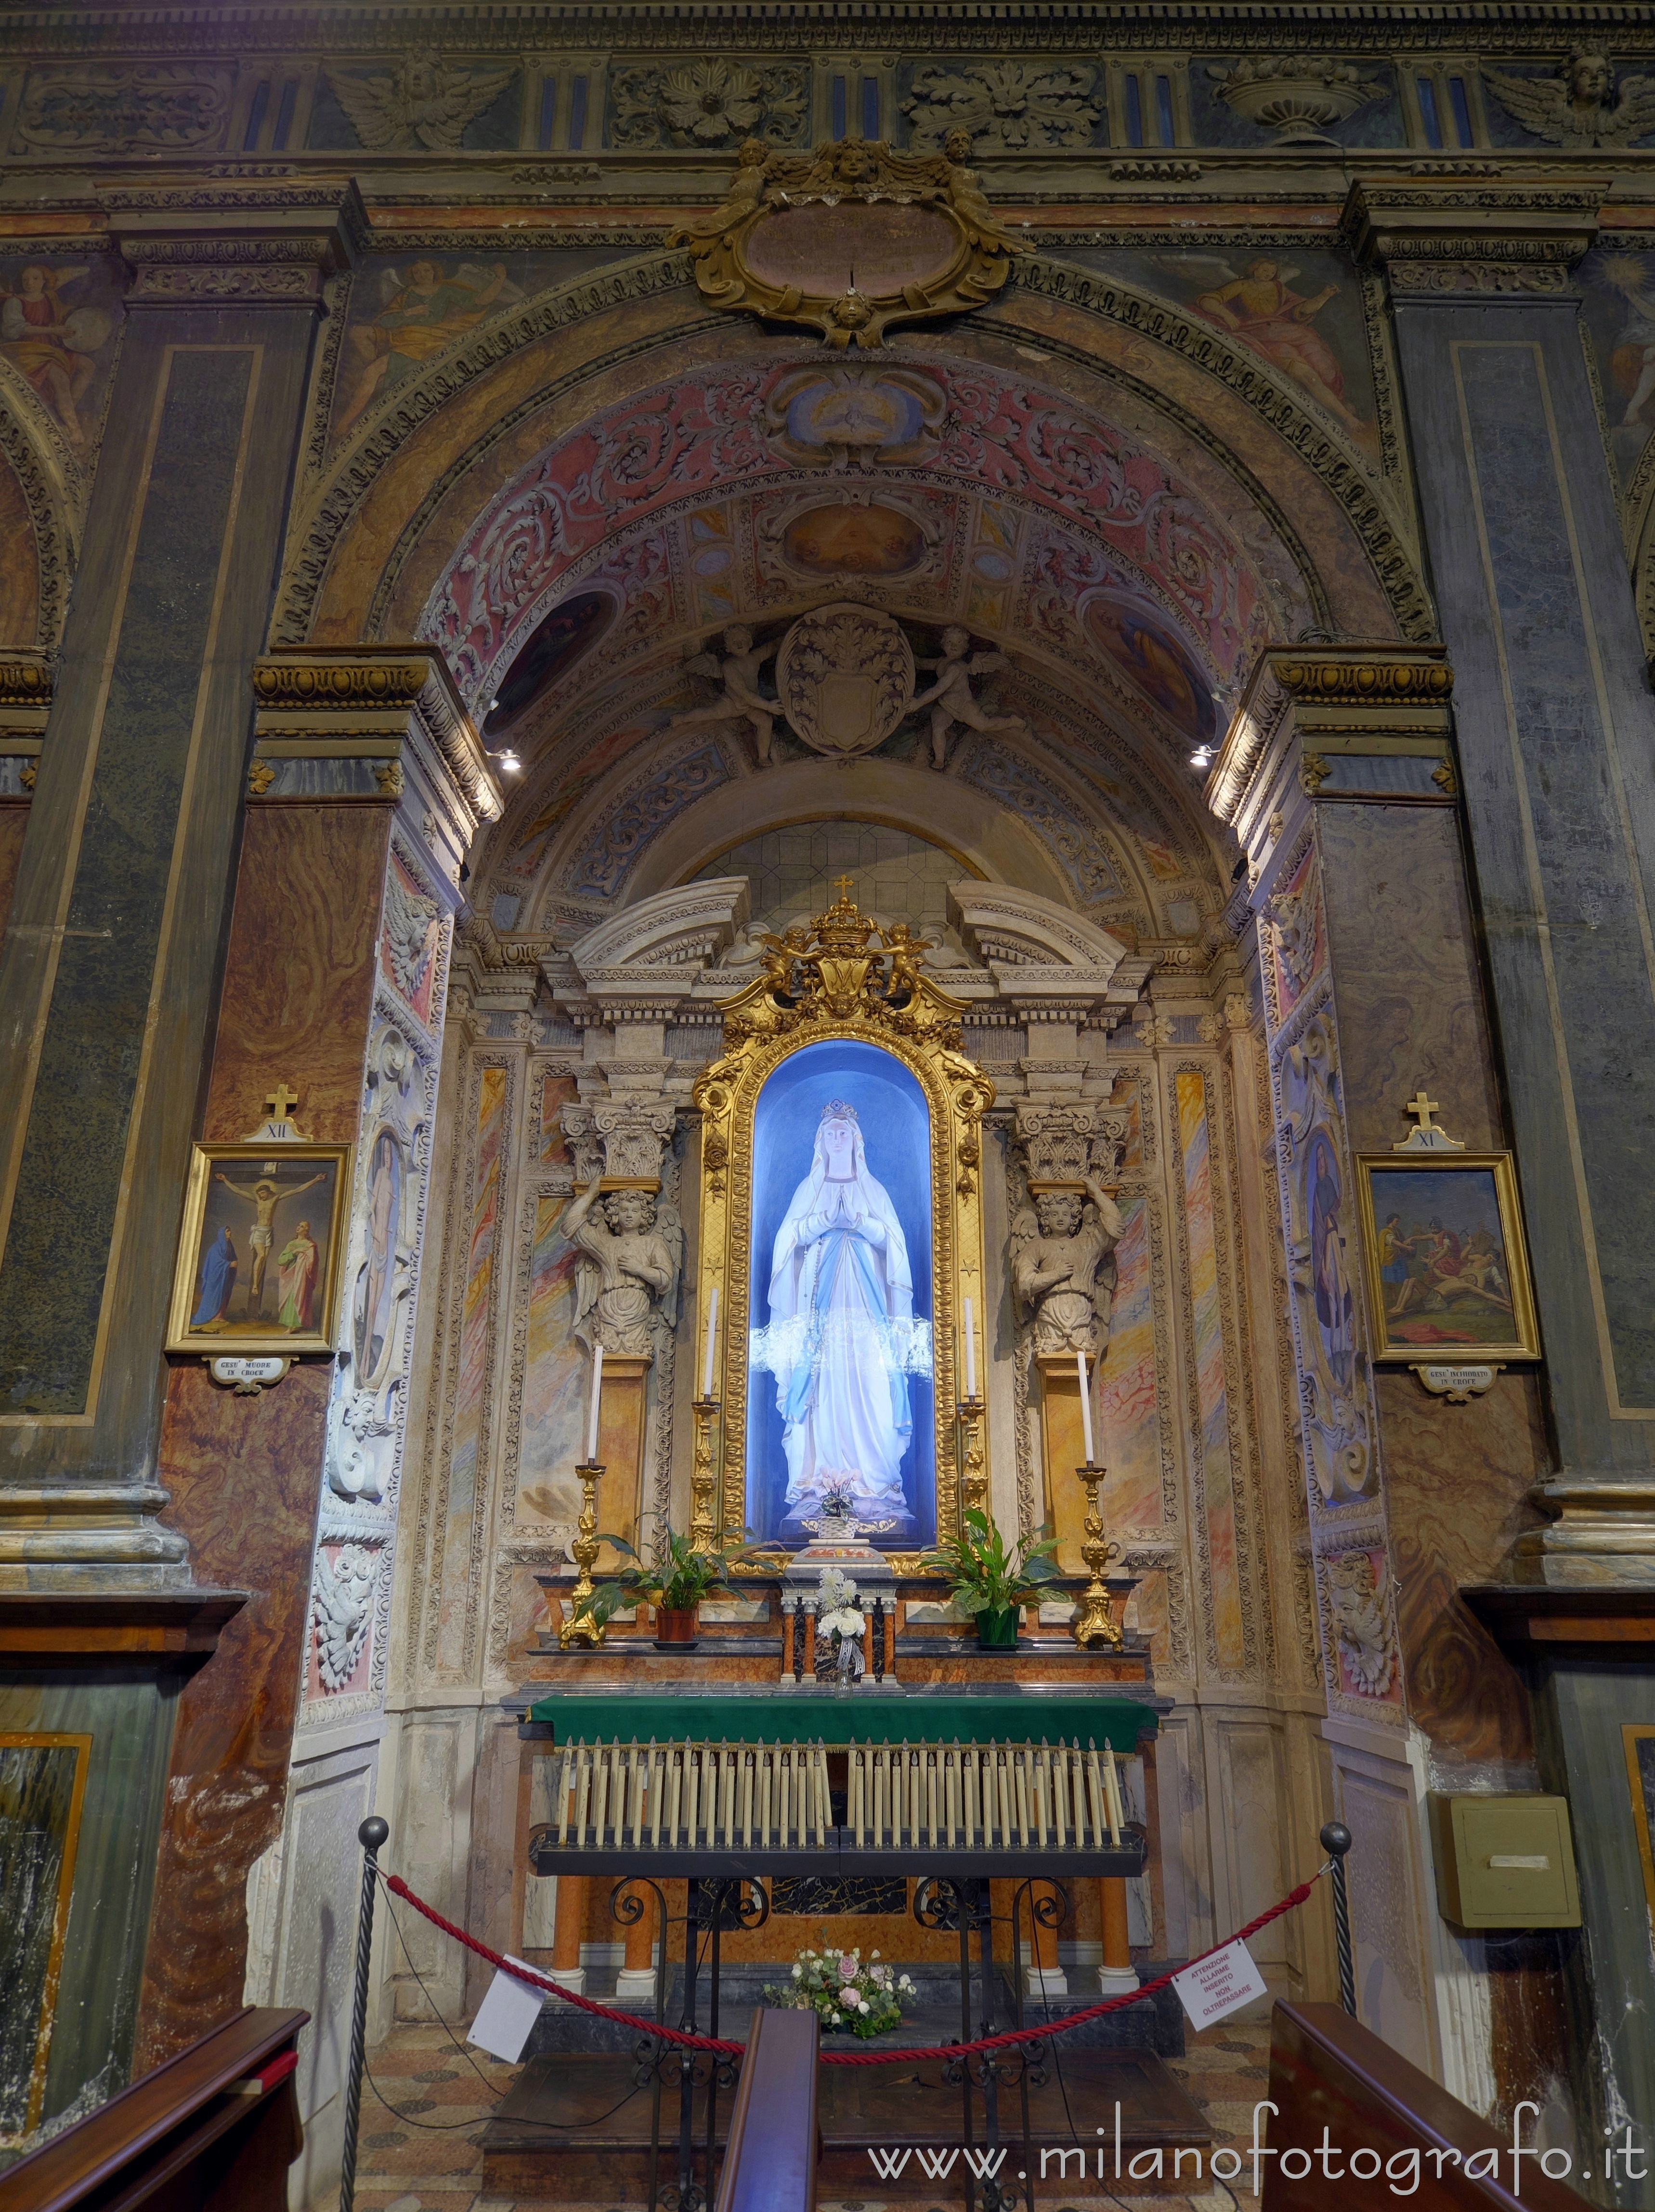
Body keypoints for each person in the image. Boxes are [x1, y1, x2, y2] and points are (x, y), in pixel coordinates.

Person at [755, 1100, 925, 1521]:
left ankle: (877, 1483)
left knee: (872, 1385)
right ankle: (820, 1483)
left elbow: (895, 1245)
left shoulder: (874, 1189)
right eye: (830, 1132)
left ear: (856, 1141)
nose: (836, 1138)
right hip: (820, 1314)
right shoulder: (808, 1189)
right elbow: (787, 1242)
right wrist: (824, 1221)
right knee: (823, 1390)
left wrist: (860, 1223)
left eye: (843, 1132)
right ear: (820, 1142)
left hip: (867, 1315)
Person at [214, 1169, 326, 1306]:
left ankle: (257, 1283)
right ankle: (255, 1285)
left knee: (265, 1258)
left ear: (268, 1192)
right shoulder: (257, 1200)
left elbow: (297, 1190)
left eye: (263, 1193)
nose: (261, 1196)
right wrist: (225, 1179)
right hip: (259, 1231)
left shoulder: (275, 1199)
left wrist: (315, 1180)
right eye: (259, 1194)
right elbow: (239, 1191)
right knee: (261, 1255)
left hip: (269, 1232)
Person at [190, 1225, 239, 1328]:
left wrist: (233, 1263)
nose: (230, 1233)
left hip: (224, 1276)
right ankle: (213, 1316)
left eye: (230, 1231)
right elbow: (215, 1263)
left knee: (224, 1294)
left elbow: (233, 1257)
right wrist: (229, 1264)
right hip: (215, 1278)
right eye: (227, 1231)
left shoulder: (229, 1246)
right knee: (214, 1296)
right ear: (222, 1234)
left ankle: (220, 1316)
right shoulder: (215, 1248)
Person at [276, 1221, 320, 1332]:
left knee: (298, 1297)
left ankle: (294, 1326)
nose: (299, 1227)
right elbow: (281, 1260)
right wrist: (295, 1252)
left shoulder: (310, 1245)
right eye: (299, 1225)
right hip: (290, 1276)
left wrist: (305, 1258)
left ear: (306, 1231)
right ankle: (291, 1325)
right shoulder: (291, 1244)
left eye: (302, 1226)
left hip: (302, 1276)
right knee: (290, 1298)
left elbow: (313, 1263)